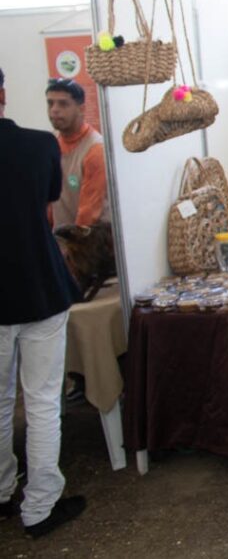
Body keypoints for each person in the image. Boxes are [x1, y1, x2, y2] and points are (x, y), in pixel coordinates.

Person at [0, 67, 87, 537]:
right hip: (37, 287)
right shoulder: (38, 146)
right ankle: (40, 505)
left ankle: (1, 492)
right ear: (4, 94)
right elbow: (49, 201)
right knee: (41, 401)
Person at [45, 78, 110, 229]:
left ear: (81, 109)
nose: (54, 109)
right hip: (61, 241)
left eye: (63, 104)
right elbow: (49, 203)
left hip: (88, 244)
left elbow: (88, 213)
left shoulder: (95, 149)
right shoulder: (51, 142)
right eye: (50, 103)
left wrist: (70, 247)